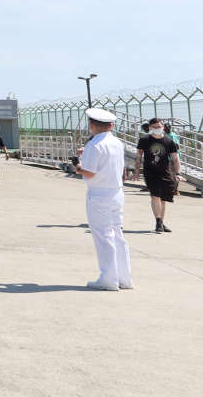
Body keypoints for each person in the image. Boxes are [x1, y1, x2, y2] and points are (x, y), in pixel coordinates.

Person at [72, 108, 132, 291]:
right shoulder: (117, 143)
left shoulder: (94, 145)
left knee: (103, 236)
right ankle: (124, 278)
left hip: (99, 193)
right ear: (111, 125)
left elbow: (90, 172)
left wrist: (78, 169)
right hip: (116, 192)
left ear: (92, 125)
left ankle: (108, 278)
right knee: (117, 235)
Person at [136, 118, 180, 233]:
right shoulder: (144, 140)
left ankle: (161, 222)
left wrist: (178, 173)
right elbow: (139, 157)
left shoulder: (169, 141)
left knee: (163, 199)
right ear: (150, 128)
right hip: (150, 173)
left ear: (163, 127)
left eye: (159, 126)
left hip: (165, 172)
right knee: (155, 196)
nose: (158, 129)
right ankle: (158, 222)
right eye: (154, 127)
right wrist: (136, 171)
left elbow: (175, 158)